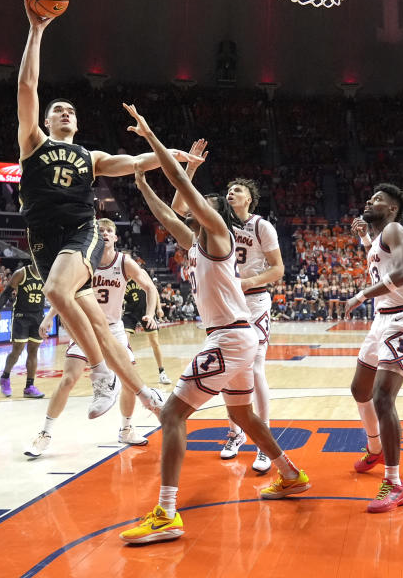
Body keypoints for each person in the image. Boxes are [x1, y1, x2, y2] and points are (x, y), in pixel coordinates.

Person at [119, 105, 309, 544]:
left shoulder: (219, 234)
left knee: (171, 414)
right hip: (235, 338)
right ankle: (290, 473)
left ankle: (166, 513)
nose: (189, 210)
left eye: (198, 207)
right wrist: (144, 181)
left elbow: (184, 188)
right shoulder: (198, 244)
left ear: (209, 212)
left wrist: (153, 141)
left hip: (228, 338)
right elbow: (167, 217)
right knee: (241, 413)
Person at [16, 0, 177, 420]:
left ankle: (102, 376)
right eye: (58, 110)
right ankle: (145, 395)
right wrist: (36, 31)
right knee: (97, 325)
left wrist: (172, 153)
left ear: (77, 122)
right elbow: (28, 86)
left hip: (79, 232)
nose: (65, 112)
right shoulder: (32, 143)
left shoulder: (91, 157)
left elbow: (139, 160)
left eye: (70, 110)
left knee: (55, 292)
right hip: (42, 239)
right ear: (46, 122)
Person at [25, 219, 162, 457]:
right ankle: (44, 434)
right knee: (68, 379)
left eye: (110, 231)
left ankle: (127, 428)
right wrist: (49, 318)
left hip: (112, 329)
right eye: (101, 231)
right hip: (84, 328)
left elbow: (150, 287)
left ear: (116, 238)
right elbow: (65, 292)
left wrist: (150, 313)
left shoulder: (124, 262)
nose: (105, 233)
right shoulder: (83, 261)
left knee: (130, 378)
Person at [346, 188, 403, 513]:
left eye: (377, 199)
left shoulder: (395, 228)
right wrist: (365, 239)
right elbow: (382, 263)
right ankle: (375, 448)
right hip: (383, 319)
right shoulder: (380, 237)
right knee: (359, 389)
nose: (368, 201)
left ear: (392, 208)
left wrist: (362, 294)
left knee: (382, 397)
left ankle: (394, 483)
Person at [216, 177, 285, 473]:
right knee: (227, 370)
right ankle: (236, 433)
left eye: (238, 190)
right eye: (229, 189)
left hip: (255, 301)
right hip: (226, 303)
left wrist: (247, 282)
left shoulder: (261, 226)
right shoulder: (218, 223)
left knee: (255, 367)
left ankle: (263, 438)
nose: (231, 192)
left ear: (249, 199)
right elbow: (181, 209)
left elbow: (278, 269)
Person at [0, 264, 46, 399]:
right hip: (21, 316)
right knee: (17, 351)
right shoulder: (21, 273)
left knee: (33, 351)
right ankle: (5, 377)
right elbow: (6, 293)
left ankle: (29, 387)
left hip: (38, 317)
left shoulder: (48, 272)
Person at [122, 277, 171, 385]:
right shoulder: (119, 276)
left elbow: (153, 290)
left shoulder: (140, 273)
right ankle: (123, 374)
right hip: (130, 312)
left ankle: (162, 372)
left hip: (146, 311)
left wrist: (158, 308)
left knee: (155, 343)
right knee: (123, 342)